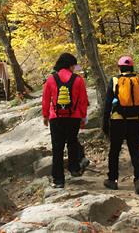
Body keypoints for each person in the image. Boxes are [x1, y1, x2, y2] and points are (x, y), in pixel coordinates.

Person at [102, 56, 139, 196]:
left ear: (119, 67)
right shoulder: (138, 80)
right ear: (132, 67)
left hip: (118, 120)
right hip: (136, 120)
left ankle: (113, 180)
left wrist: (105, 123)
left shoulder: (115, 80)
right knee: (136, 151)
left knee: (114, 150)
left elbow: (108, 104)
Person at [42, 53, 88, 188]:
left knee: (57, 148)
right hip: (73, 118)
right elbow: (83, 100)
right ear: (70, 65)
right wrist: (83, 116)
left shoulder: (51, 79)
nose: (75, 68)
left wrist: (45, 116)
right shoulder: (78, 80)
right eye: (74, 65)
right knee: (72, 142)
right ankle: (74, 169)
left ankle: (58, 180)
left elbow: (45, 99)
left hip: (56, 118)